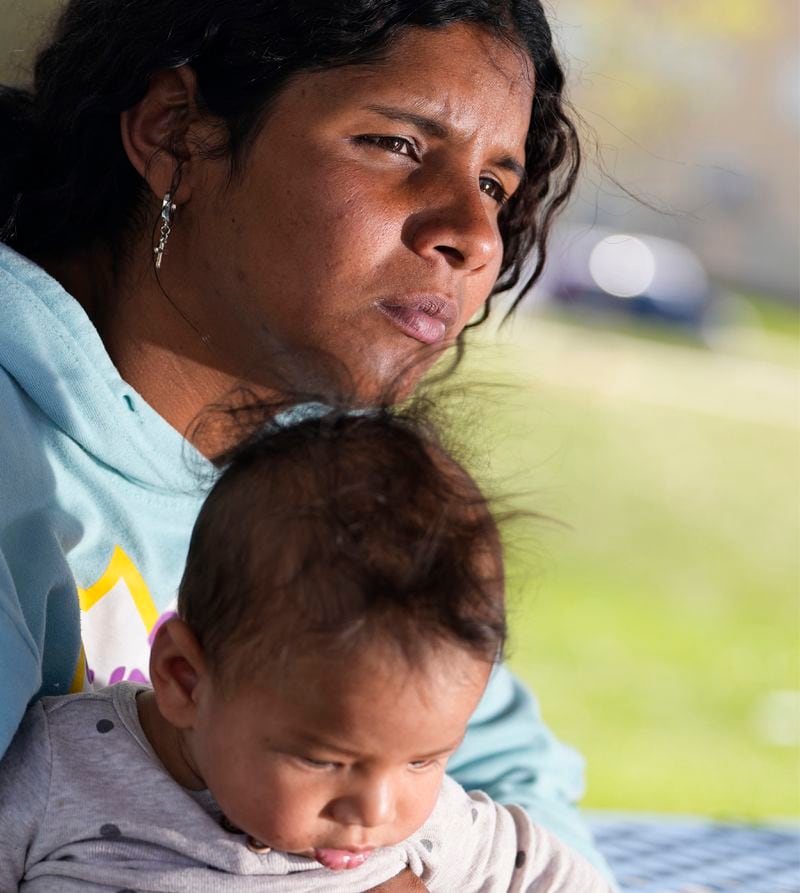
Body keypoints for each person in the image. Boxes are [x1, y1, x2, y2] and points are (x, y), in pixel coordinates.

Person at [0, 0, 614, 886]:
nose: (476, 237)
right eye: (398, 145)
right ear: (179, 134)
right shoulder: (21, 461)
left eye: (493, 183)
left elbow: (517, 781)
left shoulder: (325, 480)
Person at [0, 403, 611, 892]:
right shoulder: (58, 772)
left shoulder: (432, 828)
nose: (374, 810)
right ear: (185, 679)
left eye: (424, 760)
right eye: (324, 761)